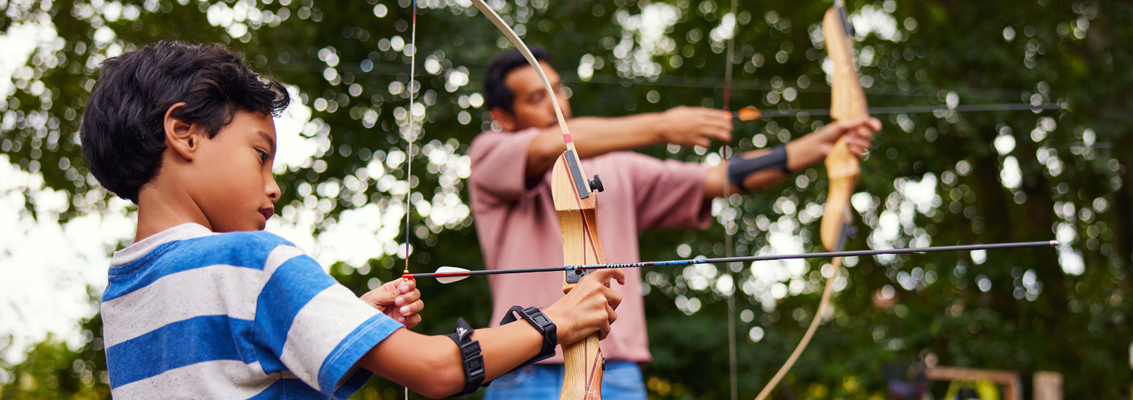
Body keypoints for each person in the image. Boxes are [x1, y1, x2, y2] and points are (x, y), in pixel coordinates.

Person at [80, 41, 625, 399]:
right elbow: (436, 368)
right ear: (186, 132)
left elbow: (240, 376)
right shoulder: (251, 260)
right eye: (261, 154)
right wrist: (556, 321)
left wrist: (348, 319)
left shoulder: (123, 293)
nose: (273, 185)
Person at [468, 47, 880, 399]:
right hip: (526, 369)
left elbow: (722, 178)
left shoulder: (617, 168)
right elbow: (548, 145)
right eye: (538, 97)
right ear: (503, 116)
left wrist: (822, 144)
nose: (556, 102)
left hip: (616, 371)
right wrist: (664, 125)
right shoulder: (491, 155)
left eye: (557, 89)